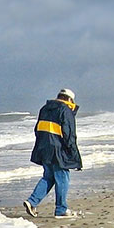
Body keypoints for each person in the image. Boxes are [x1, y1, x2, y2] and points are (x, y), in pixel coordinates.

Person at [23, 87, 82, 218]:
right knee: (63, 178)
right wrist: (75, 157)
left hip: (44, 148)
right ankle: (61, 210)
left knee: (48, 177)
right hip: (58, 149)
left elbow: (37, 130)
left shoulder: (44, 109)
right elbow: (69, 135)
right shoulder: (65, 110)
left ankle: (31, 202)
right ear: (69, 99)